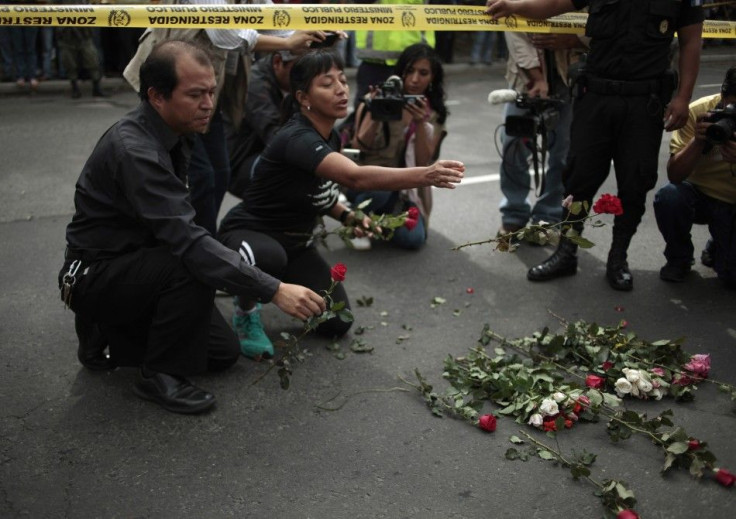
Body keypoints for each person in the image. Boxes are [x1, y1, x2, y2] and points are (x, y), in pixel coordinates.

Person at [59, 40, 326, 414]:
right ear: (156, 96)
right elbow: (188, 241)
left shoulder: (176, 130)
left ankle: (110, 330)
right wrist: (274, 289)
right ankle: (157, 374)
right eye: (195, 94)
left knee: (223, 354)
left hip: (139, 262)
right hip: (96, 272)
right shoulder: (135, 149)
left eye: (212, 91)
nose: (208, 104)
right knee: (191, 263)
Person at [217, 49, 464, 359]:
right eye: (327, 83)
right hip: (249, 234)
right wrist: (425, 174)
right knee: (270, 257)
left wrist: (348, 216)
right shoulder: (297, 137)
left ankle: (272, 284)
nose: (341, 89)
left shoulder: (328, 136)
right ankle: (246, 310)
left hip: (296, 245)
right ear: (303, 97)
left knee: (334, 322)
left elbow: (321, 194)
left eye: (342, 80)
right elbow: (356, 178)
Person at [486, 0, 704, 291]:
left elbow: (691, 41)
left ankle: (618, 259)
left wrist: (683, 97)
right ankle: (566, 253)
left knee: (635, 182)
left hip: (643, 102)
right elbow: (553, 5)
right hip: (596, 98)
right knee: (578, 178)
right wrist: (515, 5)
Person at [349, 43, 448, 250]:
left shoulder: (435, 114)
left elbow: (423, 163)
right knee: (381, 191)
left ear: (432, 79)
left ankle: (376, 221)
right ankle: (357, 216)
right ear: (400, 71)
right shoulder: (376, 98)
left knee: (414, 240)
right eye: (409, 71)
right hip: (369, 181)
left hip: (405, 187)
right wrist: (376, 112)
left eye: (423, 73)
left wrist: (421, 124)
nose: (414, 79)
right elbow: (360, 146)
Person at [496, 31, 587, 236]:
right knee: (513, 144)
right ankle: (514, 213)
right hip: (524, 79)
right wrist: (534, 75)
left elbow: (598, 22)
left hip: (571, 76)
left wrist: (575, 39)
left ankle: (549, 215)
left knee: (563, 152)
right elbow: (513, 26)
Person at [653, 66, 736, 288]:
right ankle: (679, 258)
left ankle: (719, 245)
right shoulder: (699, 112)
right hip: (699, 196)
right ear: (723, 96)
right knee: (670, 197)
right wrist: (698, 142)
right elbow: (675, 175)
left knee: (730, 278)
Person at [225, 50, 298, 199]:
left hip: (262, 154)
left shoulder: (289, 84)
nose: (305, 78)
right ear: (278, 62)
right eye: (299, 70)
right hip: (241, 163)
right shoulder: (256, 85)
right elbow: (274, 135)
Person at [353, 0, 435, 107]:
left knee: (412, 111)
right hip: (375, 63)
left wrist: (427, 56)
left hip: (411, 63)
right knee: (366, 111)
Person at [56, 27, 105, 98]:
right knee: (70, 64)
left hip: (84, 37)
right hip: (67, 39)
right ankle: (75, 88)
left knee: (92, 61)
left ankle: (96, 88)